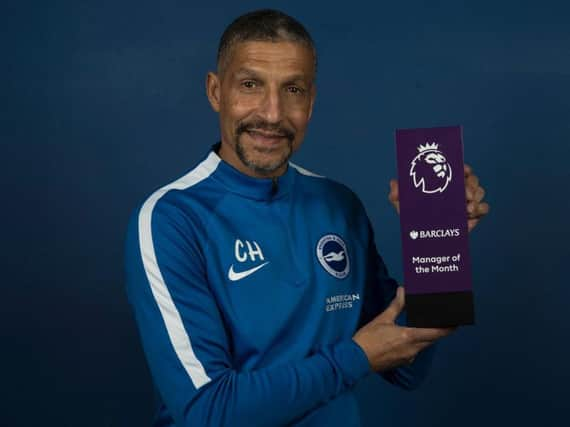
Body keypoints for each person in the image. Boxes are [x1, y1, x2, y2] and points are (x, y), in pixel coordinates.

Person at [125, 9, 489, 427]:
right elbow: (208, 412)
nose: (273, 113)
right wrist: (354, 358)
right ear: (215, 92)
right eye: (250, 85)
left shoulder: (338, 205)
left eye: (293, 89)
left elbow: (406, 367)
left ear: (311, 102)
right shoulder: (172, 219)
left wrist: (437, 243)